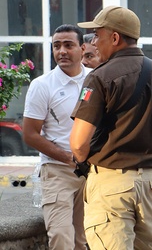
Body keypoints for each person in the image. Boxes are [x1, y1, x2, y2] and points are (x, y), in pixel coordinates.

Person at [70, 5, 152, 250]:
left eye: (98, 35)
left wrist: (85, 159)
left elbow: (78, 144)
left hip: (112, 183)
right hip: (151, 183)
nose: (94, 43)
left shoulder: (99, 77)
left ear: (115, 38)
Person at [22, 24, 89, 250]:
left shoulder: (96, 80)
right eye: (57, 46)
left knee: (85, 239)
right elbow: (30, 134)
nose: (62, 51)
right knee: (61, 237)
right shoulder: (42, 85)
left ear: (82, 48)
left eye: (68, 45)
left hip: (93, 170)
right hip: (57, 170)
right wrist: (67, 157)